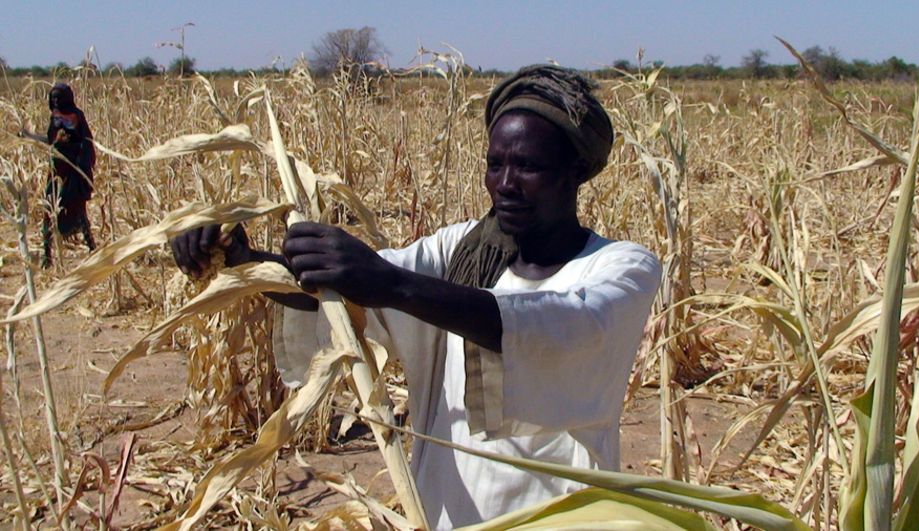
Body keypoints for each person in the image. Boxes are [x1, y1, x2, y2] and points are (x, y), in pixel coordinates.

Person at [171, 65, 661, 528]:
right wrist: (243, 258)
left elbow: (557, 328)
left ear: (576, 171)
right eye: (495, 164)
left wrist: (391, 283)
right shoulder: (460, 252)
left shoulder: (621, 268)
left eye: (528, 166)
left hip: (560, 520)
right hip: (446, 516)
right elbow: (345, 300)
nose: (505, 184)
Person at [35, 83, 97, 267]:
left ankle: (92, 248)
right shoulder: (55, 116)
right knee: (49, 209)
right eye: (52, 97)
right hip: (56, 170)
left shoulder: (76, 116)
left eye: (58, 97)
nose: (55, 100)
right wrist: (30, 136)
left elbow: (84, 142)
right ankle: (47, 256)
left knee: (78, 210)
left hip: (73, 169)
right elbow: (51, 140)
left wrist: (81, 165)